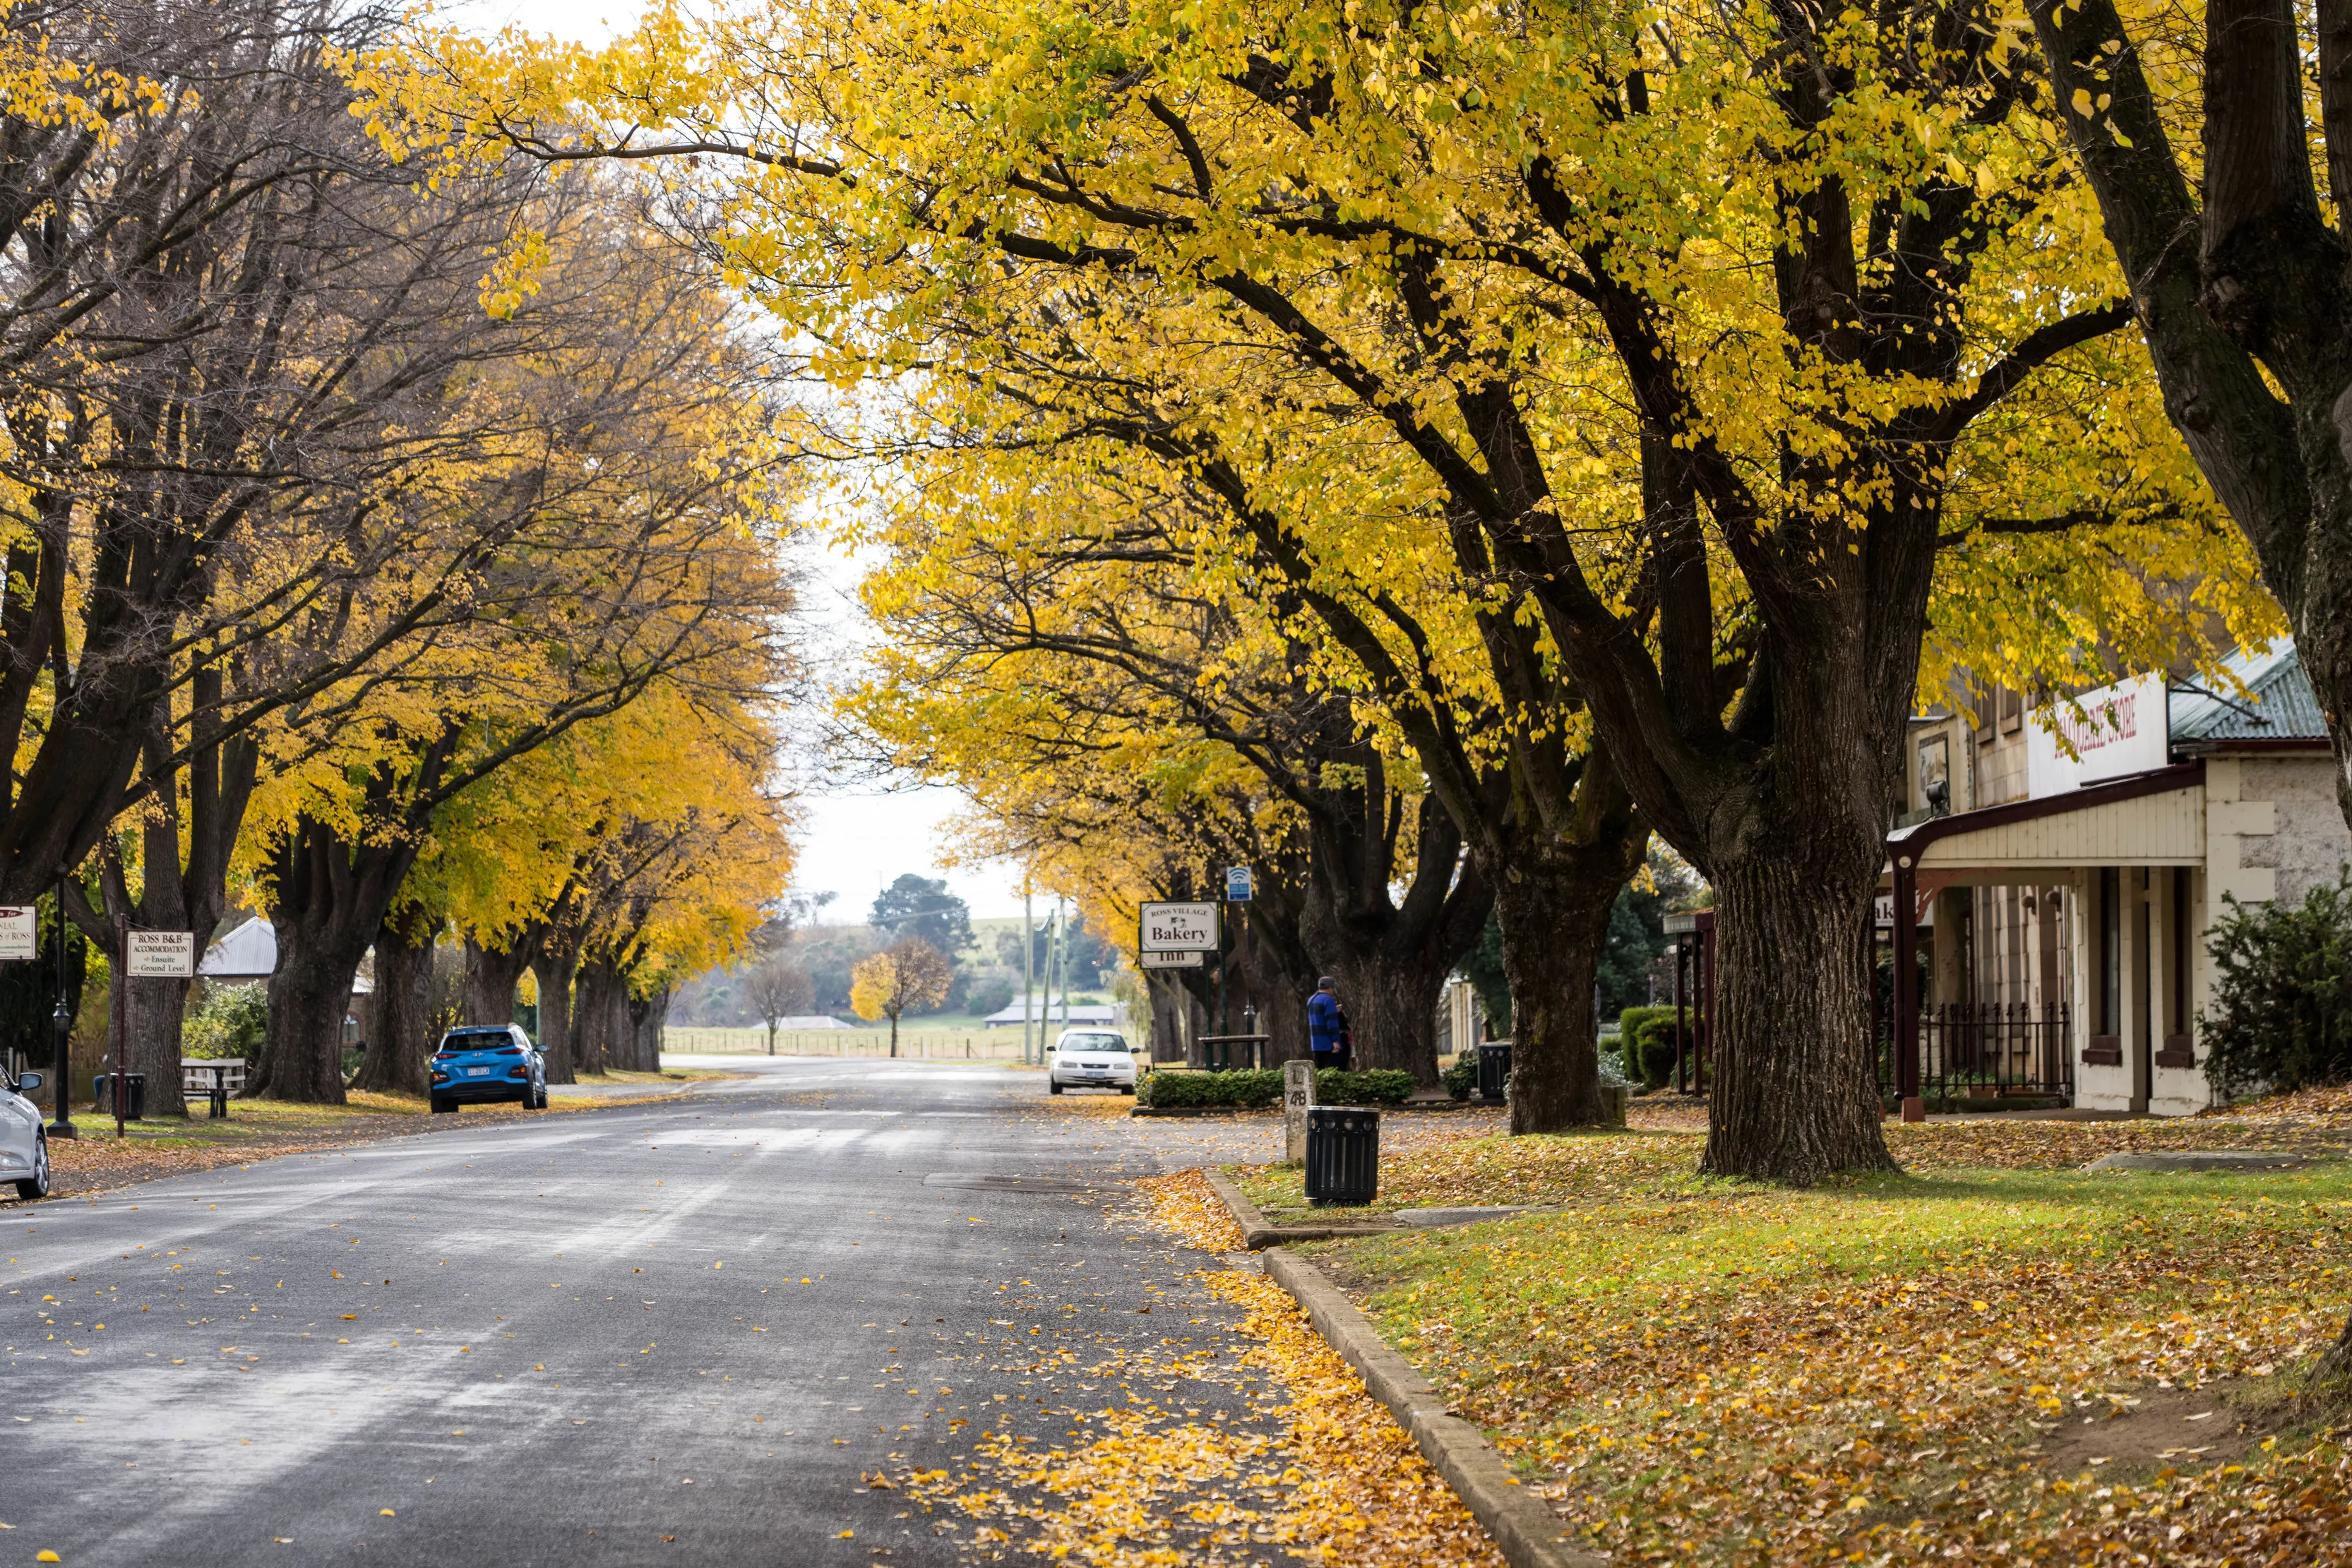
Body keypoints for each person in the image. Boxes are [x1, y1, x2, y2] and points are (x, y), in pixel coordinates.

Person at [1306, 977, 1344, 1070]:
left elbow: (1319, 1016)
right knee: (1331, 1071)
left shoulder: (1311, 1000)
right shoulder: (1328, 1000)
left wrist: (1333, 1010)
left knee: (1319, 1070)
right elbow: (1331, 1022)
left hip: (1315, 1042)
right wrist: (1335, 1040)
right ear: (1330, 988)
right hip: (1327, 1043)